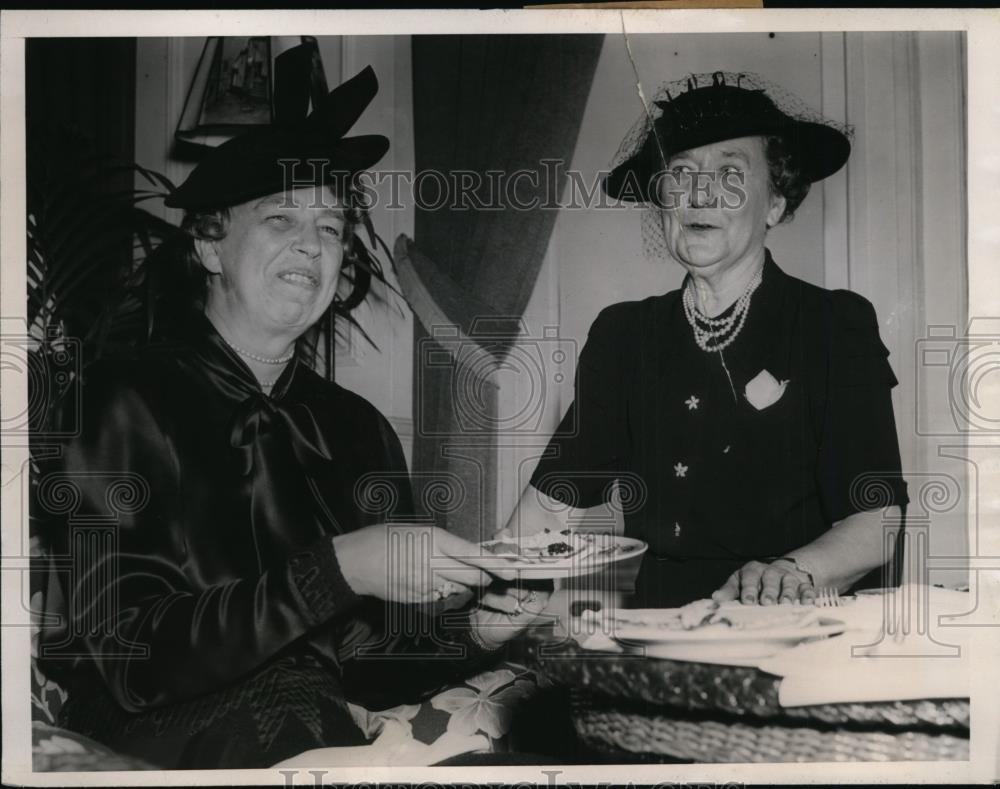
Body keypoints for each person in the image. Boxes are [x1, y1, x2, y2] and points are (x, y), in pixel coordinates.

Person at [35, 66, 547, 770]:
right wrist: (334, 570)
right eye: (281, 218)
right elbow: (132, 660)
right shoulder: (116, 398)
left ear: (340, 276)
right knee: (283, 709)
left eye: (330, 227)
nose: (311, 242)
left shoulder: (359, 428)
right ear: (209, 245)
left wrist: (476, 633)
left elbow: (373, 664)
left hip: (315, 714)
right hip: (154, 721)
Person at [501, 71, 908, 608]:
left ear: (775, 204)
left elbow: (877, 518)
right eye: (681, 173)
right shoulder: (624, 336)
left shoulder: (833, 325)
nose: (698, 193)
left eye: (731, 174)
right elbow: (551, 507)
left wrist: (790, 572)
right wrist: (491, 600)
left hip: (794, 624)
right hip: (662, 629)